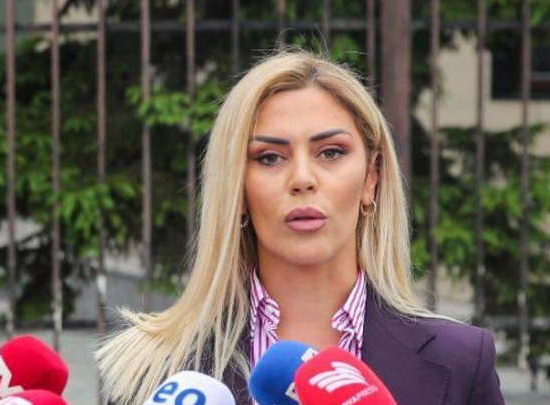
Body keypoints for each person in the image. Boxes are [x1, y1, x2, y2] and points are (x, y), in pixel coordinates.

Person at [95, 49, 505, 405]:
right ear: (237, 189)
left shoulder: (461, 361)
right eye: (270, 157)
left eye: (331, 152)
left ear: (371, 178)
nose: (303, 179)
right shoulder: (153, 367)